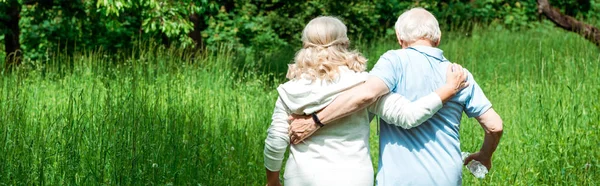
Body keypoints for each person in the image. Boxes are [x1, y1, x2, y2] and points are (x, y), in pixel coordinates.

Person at [288, 8, 504, 185]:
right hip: (445, 177)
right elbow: (494, 126)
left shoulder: (394, 62)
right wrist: (485, 155)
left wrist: (315, 121)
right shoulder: (459, 75)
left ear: (400, 37)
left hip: (397, 179)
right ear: (437, 38)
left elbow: (365, 95)